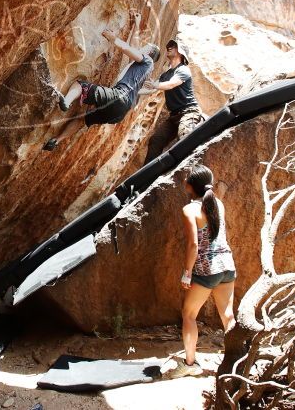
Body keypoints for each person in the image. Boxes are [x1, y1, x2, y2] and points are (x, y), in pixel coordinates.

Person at [166, 165, 236, 379]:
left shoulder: (190, 210)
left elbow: (193, 245)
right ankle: (238, 360)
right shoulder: (219, 204)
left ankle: (190, 364)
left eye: (186, 179)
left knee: (188, 314)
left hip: (206, 270)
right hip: (226, 265)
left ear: (189, 186)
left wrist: (187, 272)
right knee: (227, 316)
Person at [43, 28, 159, 152]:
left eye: (146, 46)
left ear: (150, 51)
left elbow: (127, 49)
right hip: (120, 113)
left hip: (119, 97)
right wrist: (136, 24)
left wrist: (112, 37)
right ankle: (57, 140)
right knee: (83, 119)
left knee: (81, 86)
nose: (142, 47)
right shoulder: (143, 71)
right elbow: (133, 48)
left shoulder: (148, 60)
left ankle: (66, 101)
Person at [142, 40, 204, 164]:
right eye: (169, 45)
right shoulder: (165, 74)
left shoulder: (183, 70)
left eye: (174, 46)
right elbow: (150, 90)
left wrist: (155, 84)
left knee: (185, 135)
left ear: (180, 53)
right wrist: (133, 92)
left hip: (189, 112)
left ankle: (191, 167)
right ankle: (146, 177)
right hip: (174, 116)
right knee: (156, 140)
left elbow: (171, 84)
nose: (169, 47)